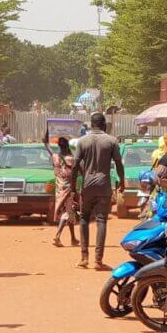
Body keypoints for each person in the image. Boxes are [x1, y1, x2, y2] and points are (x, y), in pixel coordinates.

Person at [70, 112, 124, 271]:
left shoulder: (82, 141)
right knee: (101, 220)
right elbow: (119, 163)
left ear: (91, 125)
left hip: (87, 186)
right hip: (104, 186)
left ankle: (84, 257)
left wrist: (73, 188)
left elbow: (75, 165)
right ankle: (98, 261)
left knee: (84, 218)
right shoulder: (111, 141)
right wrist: (121, 181)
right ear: (104, 124)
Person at [43, 132, 80, 247]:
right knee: (67, 212)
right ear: (68, 146)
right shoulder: (71, 159)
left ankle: (73, 238)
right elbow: (79, 172)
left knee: (71, 213)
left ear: (59, 146)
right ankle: (57, 236)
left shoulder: (55, 157)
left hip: (59, 189)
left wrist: (46, 137)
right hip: (69, 189)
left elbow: (47, 147)